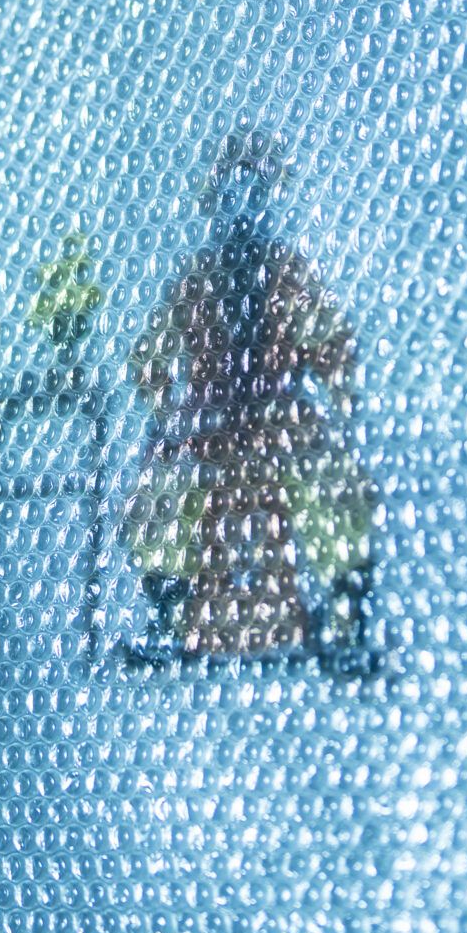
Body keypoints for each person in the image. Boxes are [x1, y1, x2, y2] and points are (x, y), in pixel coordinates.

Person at [121, 128, 378, 666]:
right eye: (231, 195)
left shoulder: (289, 273)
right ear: (215, 204)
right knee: (161, 491)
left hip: (282, 420)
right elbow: (149, 356)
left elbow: (332, 342)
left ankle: (345, 614)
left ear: (267, 199)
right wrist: (167, 412)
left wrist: (341, 397)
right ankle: (165, 615)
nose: (241, 209)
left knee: (334, 481)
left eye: (253, 193)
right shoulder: (195, 279)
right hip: (206, 425)